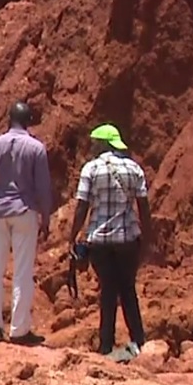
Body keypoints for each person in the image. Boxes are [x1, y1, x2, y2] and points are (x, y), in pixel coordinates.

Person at [0, 101, 53, 346]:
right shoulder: (36, 148)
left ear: (9, 120)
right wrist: (45, 217)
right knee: (22, 271)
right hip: (25, 210)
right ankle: (19, 329)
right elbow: (43, 187)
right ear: (29, 121)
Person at [67, 123, 150, 357]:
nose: (93, 147)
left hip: (100, 241)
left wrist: (72, 236)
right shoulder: (134, 169)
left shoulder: (90, 169)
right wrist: (148, 238)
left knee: (108, 290)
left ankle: (106, 345)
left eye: (95, 143)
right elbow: (143, 206)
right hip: (128, 239)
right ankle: (138, 341)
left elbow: (82, 206)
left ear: (102, 144)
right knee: (128, 289)